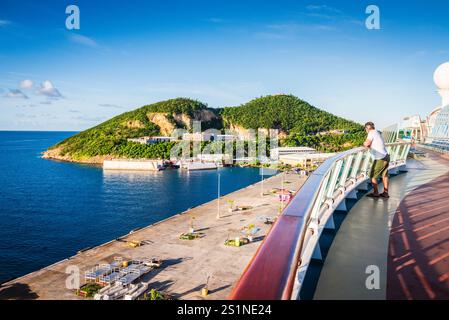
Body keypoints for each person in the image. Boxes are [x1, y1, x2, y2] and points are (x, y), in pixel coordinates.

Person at [363, 122, 390, 198]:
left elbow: (367, 144)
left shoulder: (371, 133)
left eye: (366, 129)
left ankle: (375, 193)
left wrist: (364, 144)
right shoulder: (377, 132)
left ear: (367, 128)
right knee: (384, 175)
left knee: (372, 175)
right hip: (386, 156)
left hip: (380, 158)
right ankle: (385, 193)